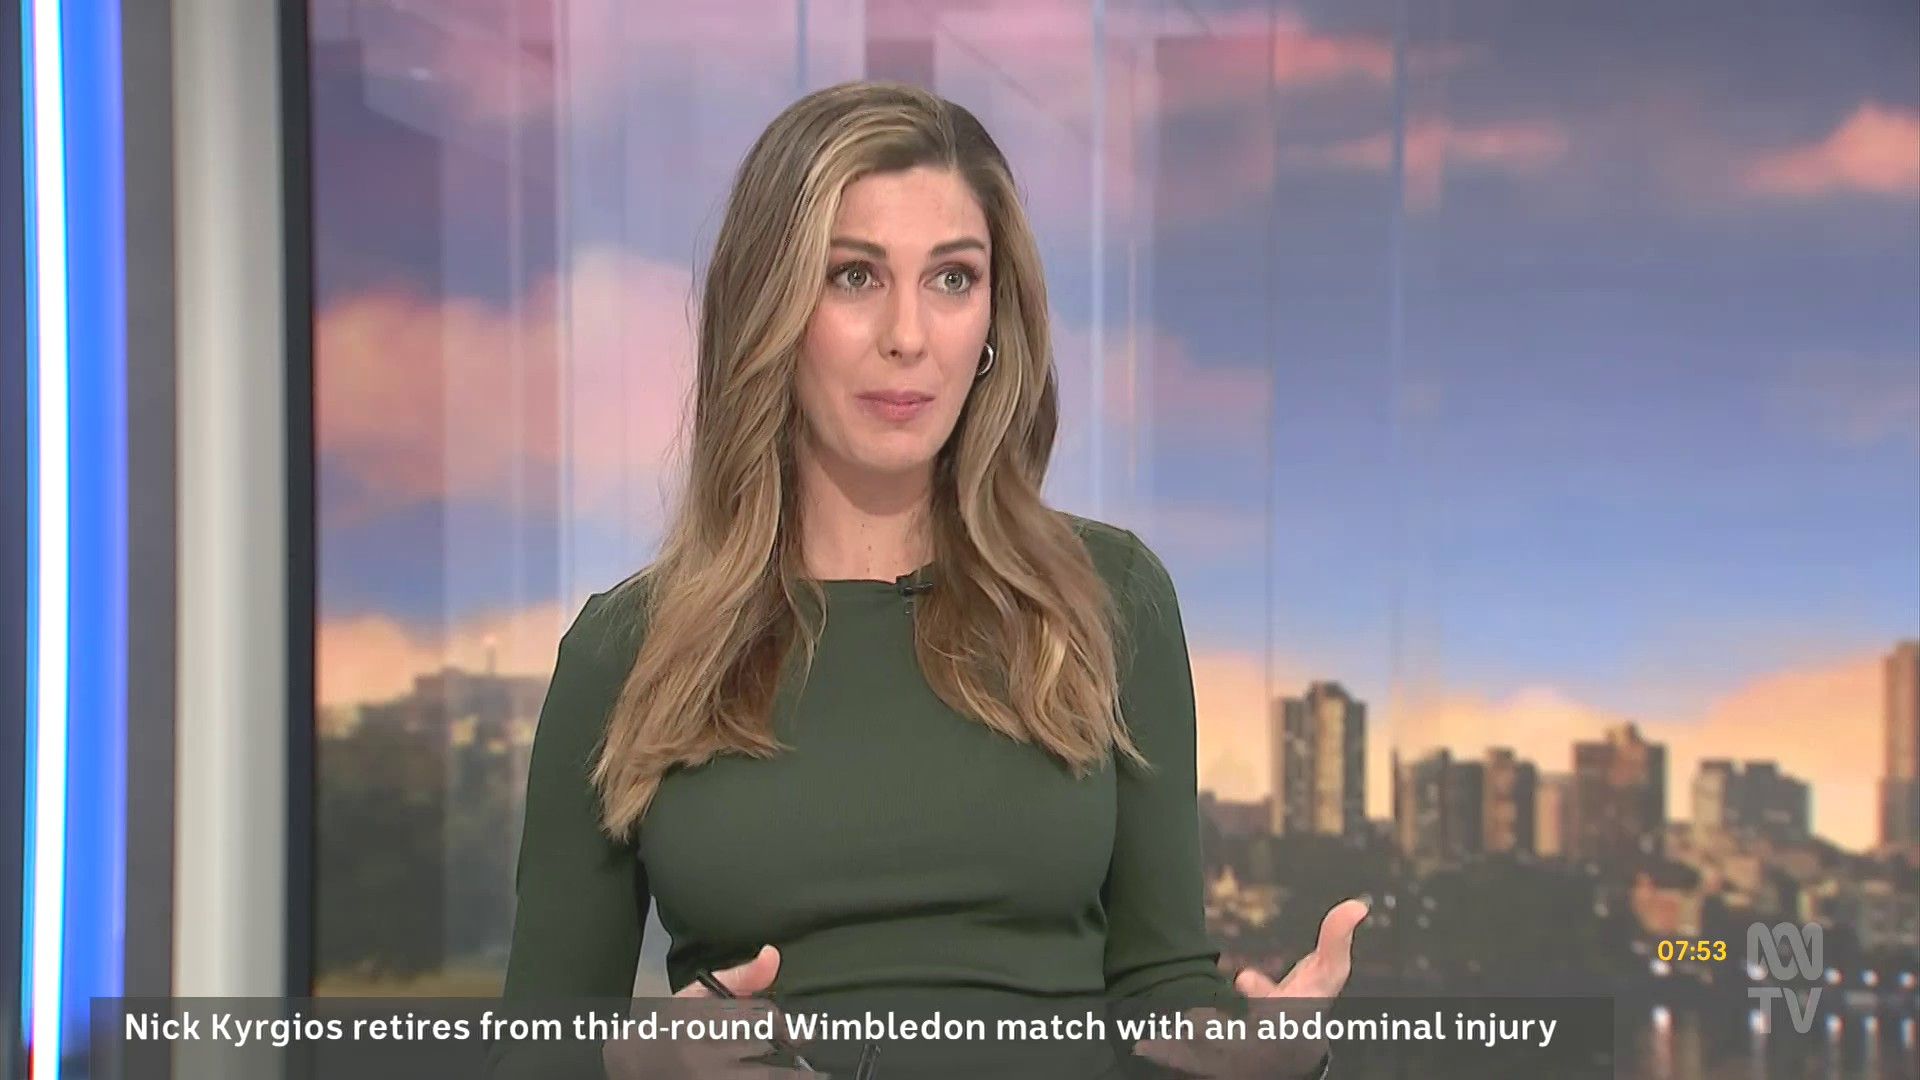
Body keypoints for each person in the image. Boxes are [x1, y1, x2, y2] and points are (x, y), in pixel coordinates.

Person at [492, 80, 1364, 1079]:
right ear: (770, 306)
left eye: (953, 278)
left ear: (994, 318)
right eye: (854, 276)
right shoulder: (627, 651)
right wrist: (636, 1067)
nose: (908, 334)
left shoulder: (1108, 596)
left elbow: (1160, 996)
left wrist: (1263, 1059)